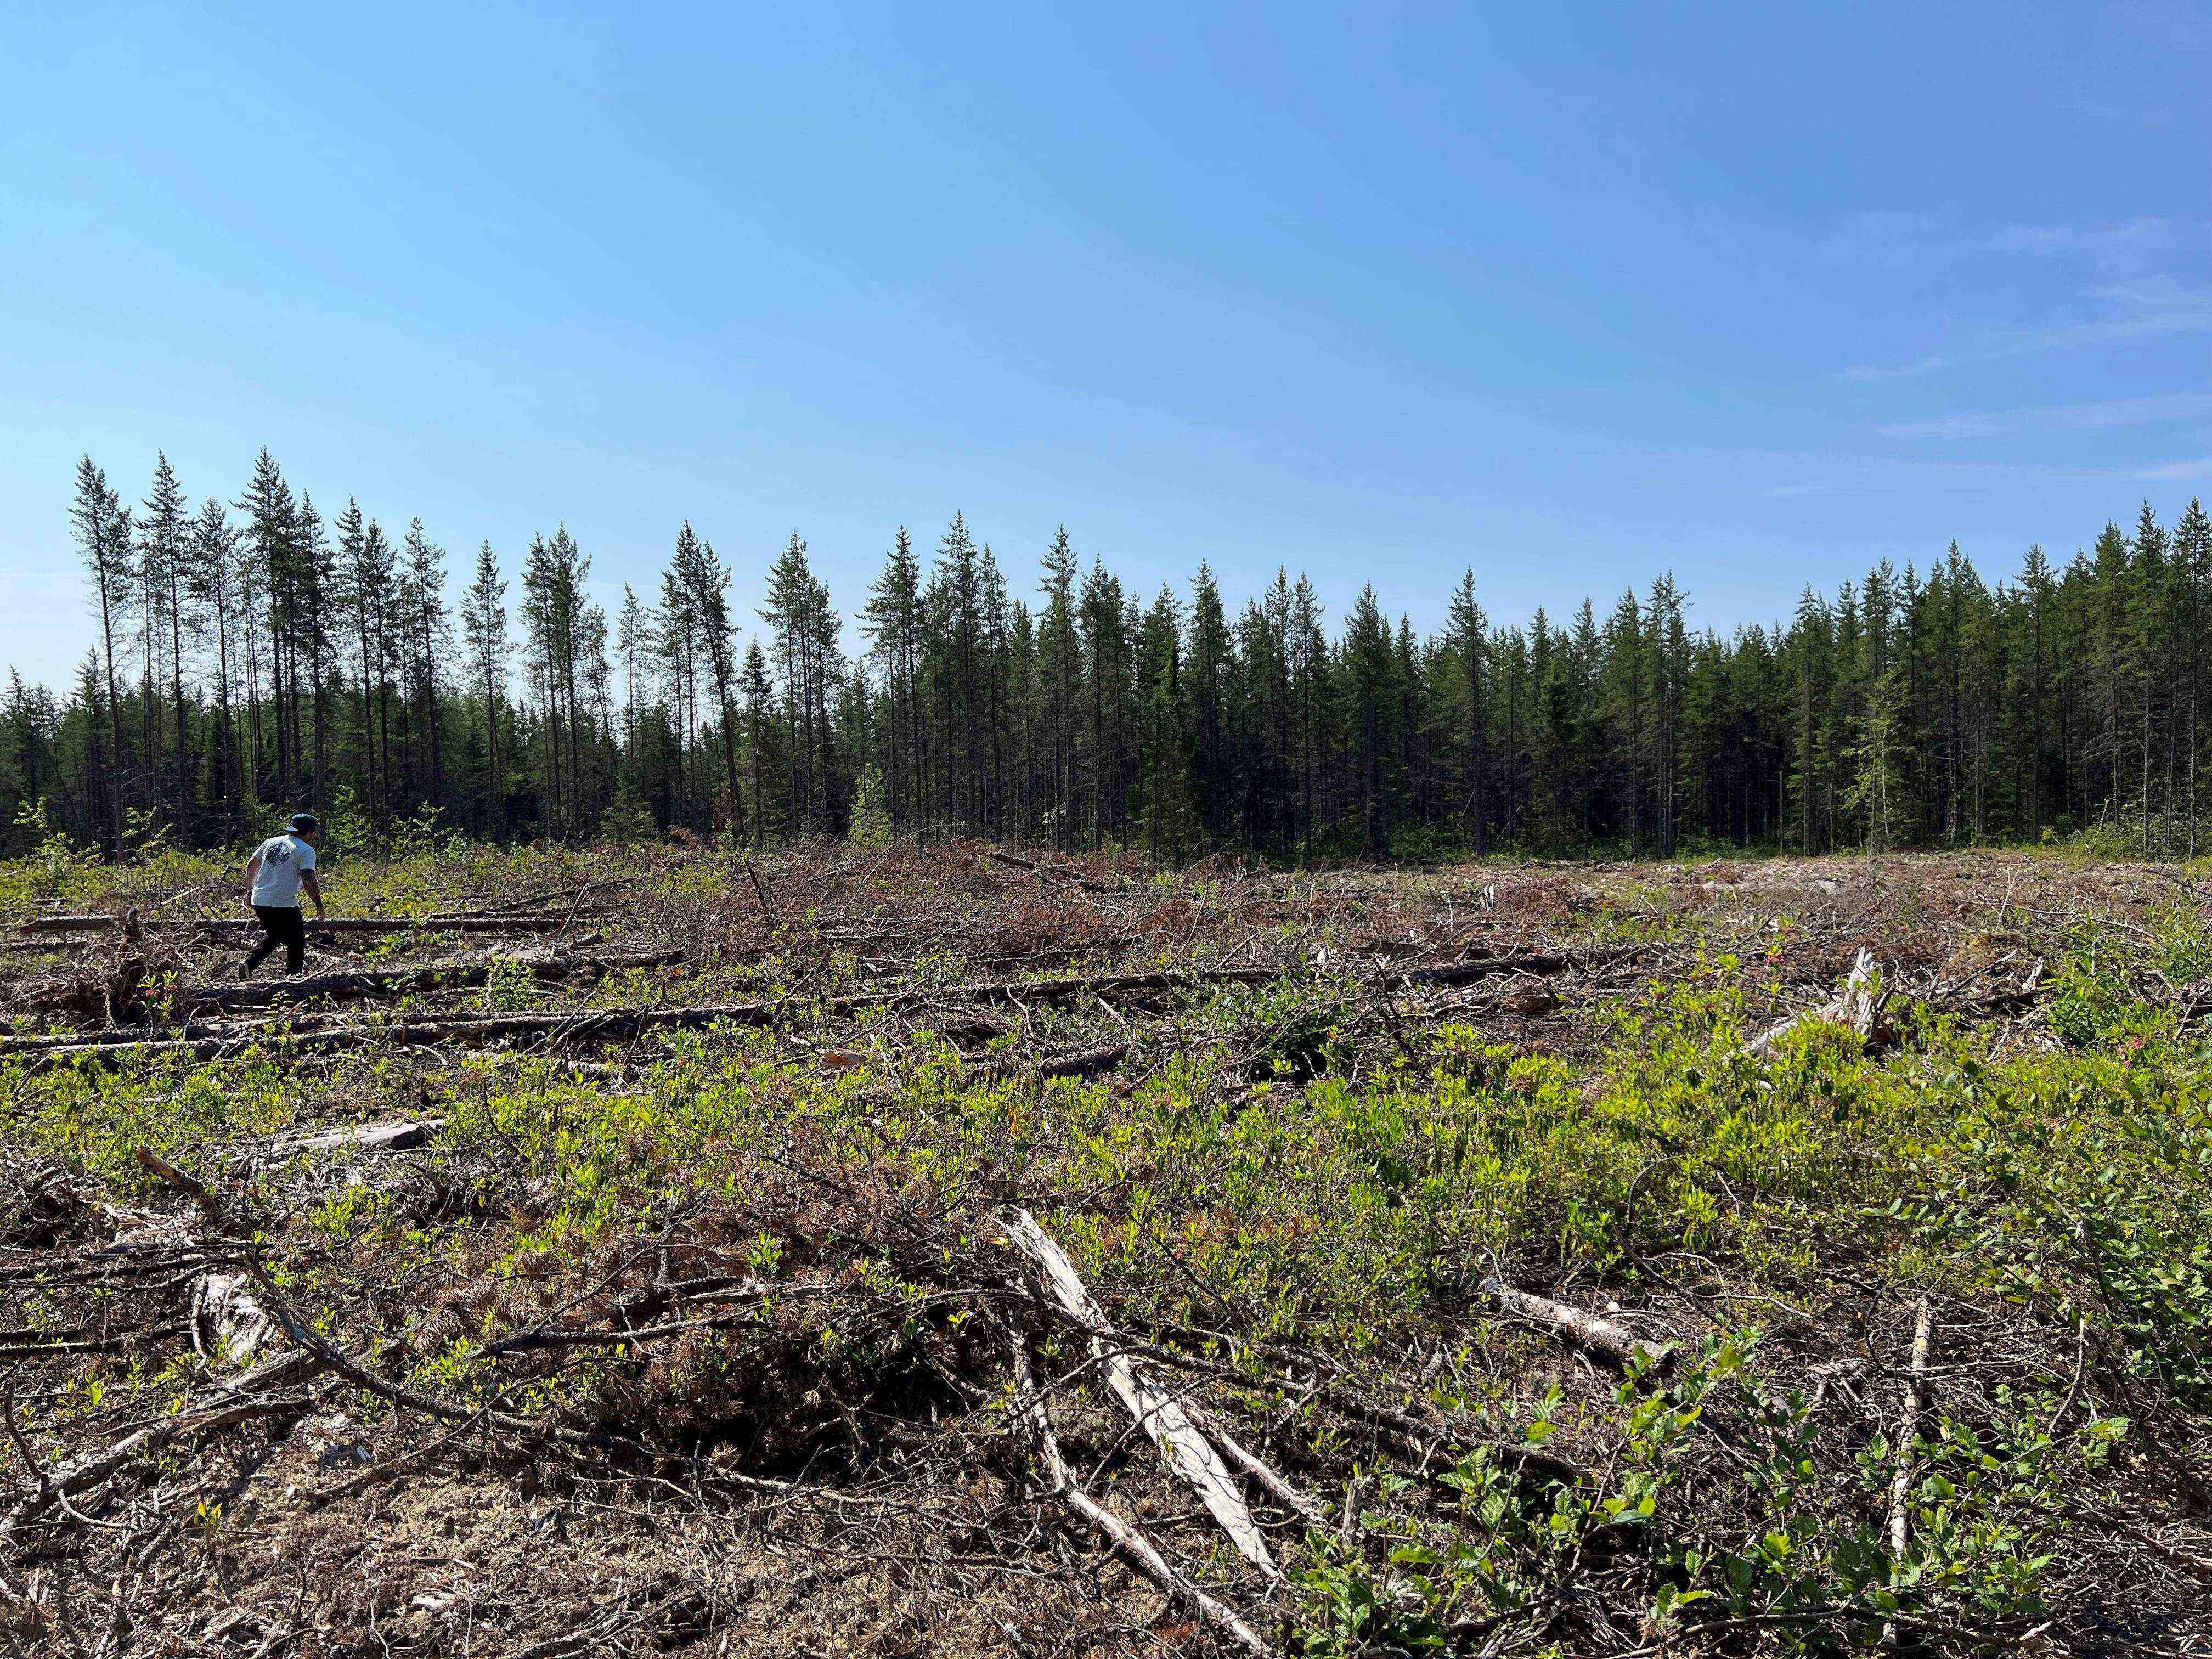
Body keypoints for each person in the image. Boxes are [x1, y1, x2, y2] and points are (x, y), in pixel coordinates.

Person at [240, 812, 326, 978]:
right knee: (296, 938)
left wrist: (250, 891)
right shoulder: (306, 850)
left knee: (276, 934)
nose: (313, 835)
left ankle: (249, 965)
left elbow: (251, 866)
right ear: (308, 832)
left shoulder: (269, 842)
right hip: (284, 903)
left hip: (260, 899)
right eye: (313, 832)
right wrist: (319, 904)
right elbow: (308, 881)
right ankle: (293, 976)